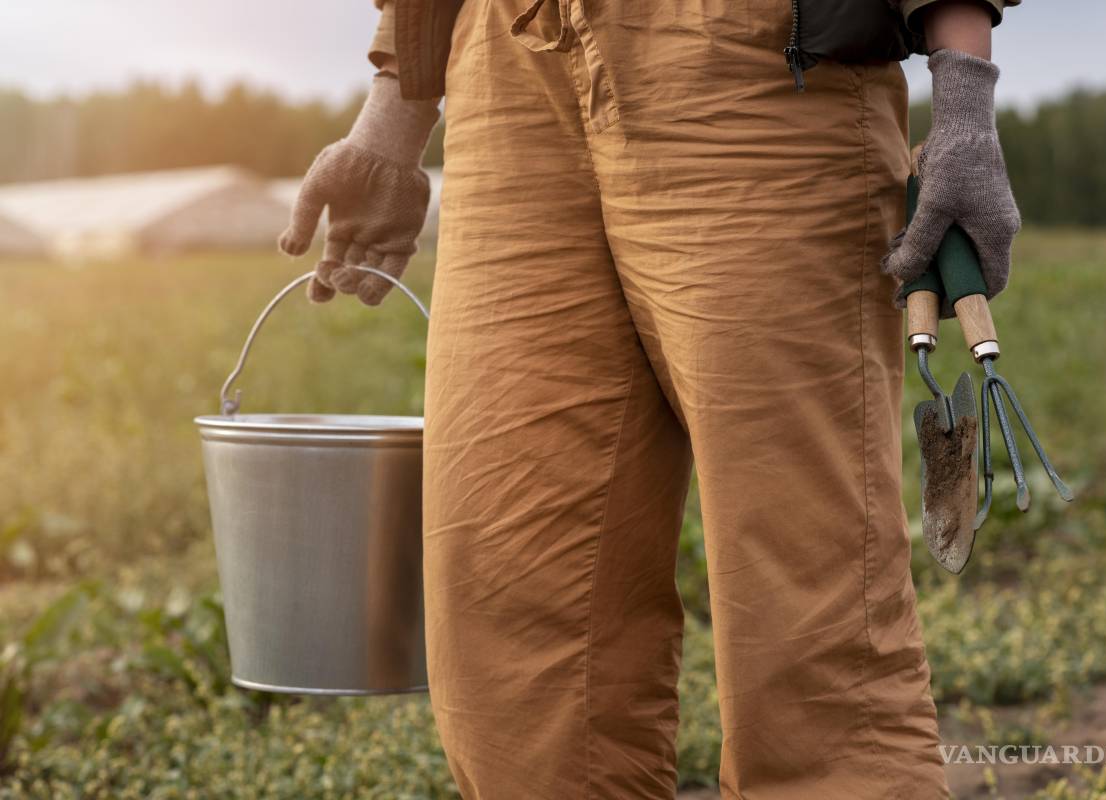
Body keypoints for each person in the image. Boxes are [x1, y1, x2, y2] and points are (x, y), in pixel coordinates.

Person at [278, 0, 1020, 796]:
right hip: (509, 71)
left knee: (807, 624)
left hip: (755, 69)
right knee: (513, 625)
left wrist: (965, 96)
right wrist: (392, 116)